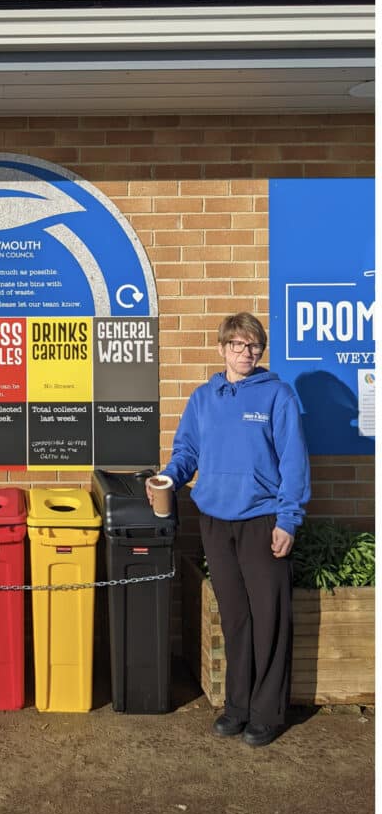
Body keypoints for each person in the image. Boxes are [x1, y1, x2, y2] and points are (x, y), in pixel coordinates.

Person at [147, 312, 310, 747]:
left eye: (254, 345)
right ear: (222, 349)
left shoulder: (278, 396)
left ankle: (267, 713)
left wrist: (287, 521)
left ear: (261, 351)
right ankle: (237, 707)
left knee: (269, 618)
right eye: (237, 345)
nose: (246, 352)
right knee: (236, 618)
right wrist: (169, 477)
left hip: (262, 521)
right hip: (216, 523)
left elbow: (294, 463)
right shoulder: (204, 398)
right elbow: (186, 451)